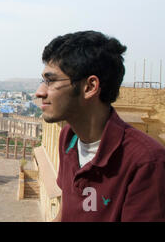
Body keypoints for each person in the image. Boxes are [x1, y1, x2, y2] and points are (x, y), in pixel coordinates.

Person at [35, 31, 165, 222]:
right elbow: (67, 213)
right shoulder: (68, 138)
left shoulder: (145, 162)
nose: (40, 92)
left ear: (89, 87)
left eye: (51, 81)